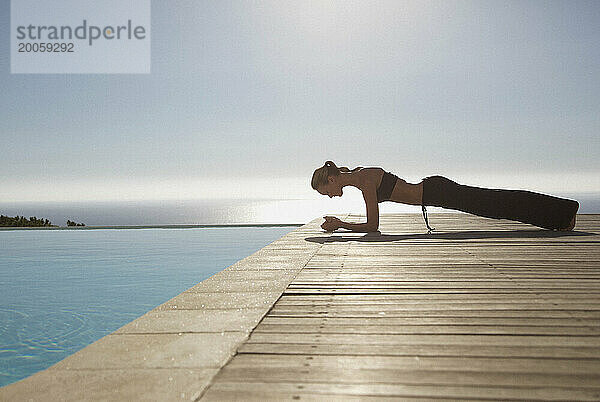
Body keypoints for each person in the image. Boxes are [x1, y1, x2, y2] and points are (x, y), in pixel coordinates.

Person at [311, 161, 579, 233]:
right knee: (495, 204)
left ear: (332, 179)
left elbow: (372, 226)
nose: (330, 197)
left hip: (437, 192)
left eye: (326, 192)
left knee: (497, 203)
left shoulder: (364, 180)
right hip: (436, 192)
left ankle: (563, 214)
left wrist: (340, 225)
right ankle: (560, 216)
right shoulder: (359, 176)